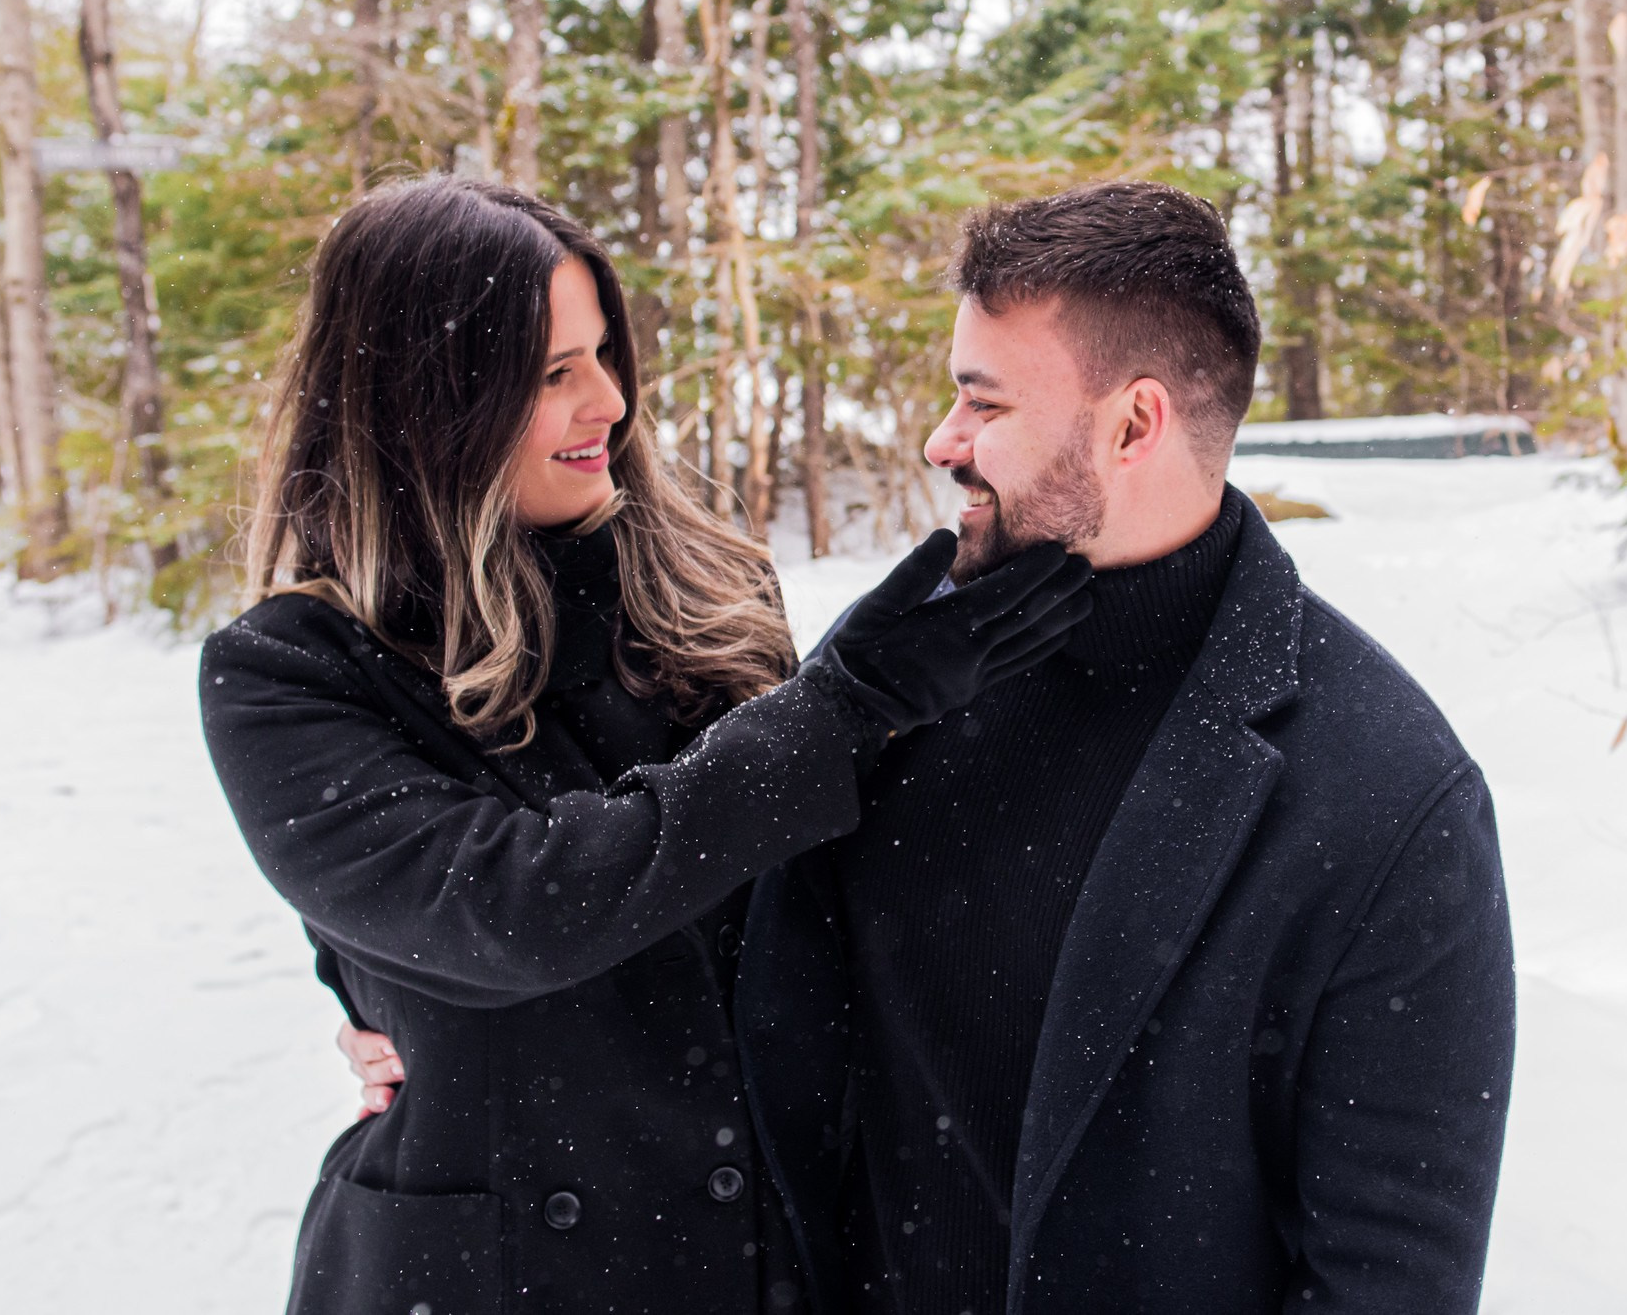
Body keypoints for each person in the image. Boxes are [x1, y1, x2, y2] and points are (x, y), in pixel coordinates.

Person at [201, 177, 1092, 1315]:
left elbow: (808, 899)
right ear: (426, 401)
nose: (610, 401)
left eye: (605, 356)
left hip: (741, 1251)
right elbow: (519, 910)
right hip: (488, 1269)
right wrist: (841, 706)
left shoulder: (710, 592)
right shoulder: (289, 671)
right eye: (552, 372)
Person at [740, 182, 1515, 1313]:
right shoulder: (894, 676)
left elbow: (1386, 1278)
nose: (940, 439)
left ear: (1133, 422)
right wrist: (410, 1014)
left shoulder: (1386, 790)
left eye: (983, 401)